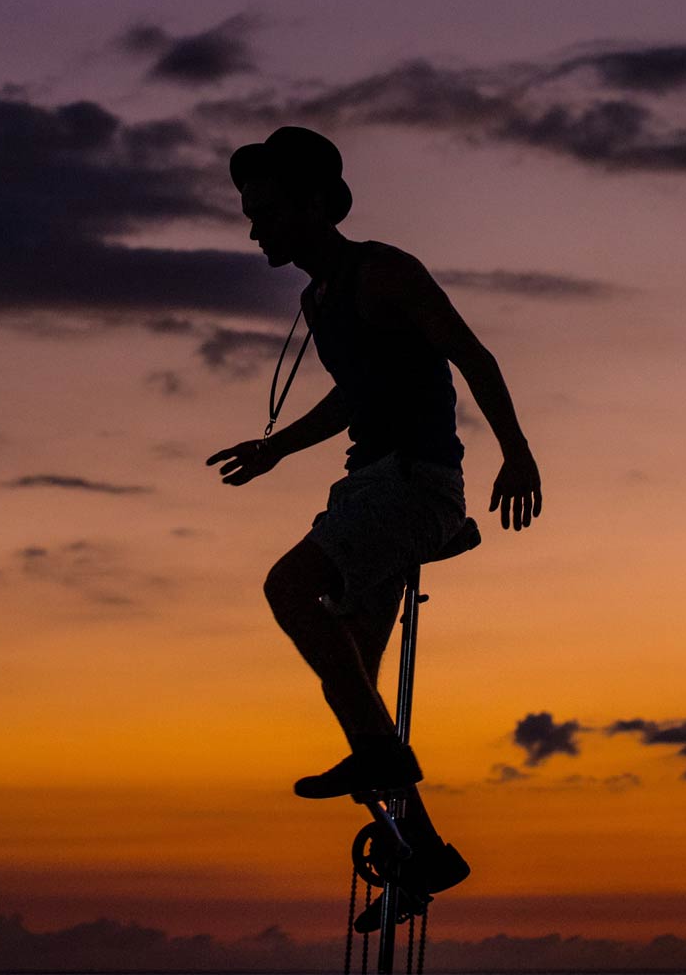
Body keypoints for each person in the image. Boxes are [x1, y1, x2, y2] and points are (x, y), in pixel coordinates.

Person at [206, 126, 542, 928]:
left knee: (290, 588)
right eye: (250, 213)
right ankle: (420, 852)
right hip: (367, 487)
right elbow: (355, 394)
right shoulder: (317, 299)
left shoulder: (384, 272)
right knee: (350, 670)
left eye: (269, 211)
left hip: (416, 485)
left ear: (317, 205)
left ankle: (382, 758)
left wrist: (519, 455)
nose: (255, 228)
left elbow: (472, 355)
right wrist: (276, 449)